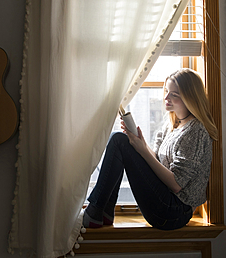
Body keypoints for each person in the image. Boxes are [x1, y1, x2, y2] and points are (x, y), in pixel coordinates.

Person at [83, 68, 218, 230]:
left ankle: (97, 210)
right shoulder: (171, 125)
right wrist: (140, 142)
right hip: (165, 202)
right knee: (121, 139)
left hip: (174, 211)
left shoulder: (195, 131)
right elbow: (156, 163)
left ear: (189, 97)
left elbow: (176, 185)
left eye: (174, 94)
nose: (166, 97)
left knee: (119, 140)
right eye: (166, 91)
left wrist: (142, 150)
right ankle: (104, 211)